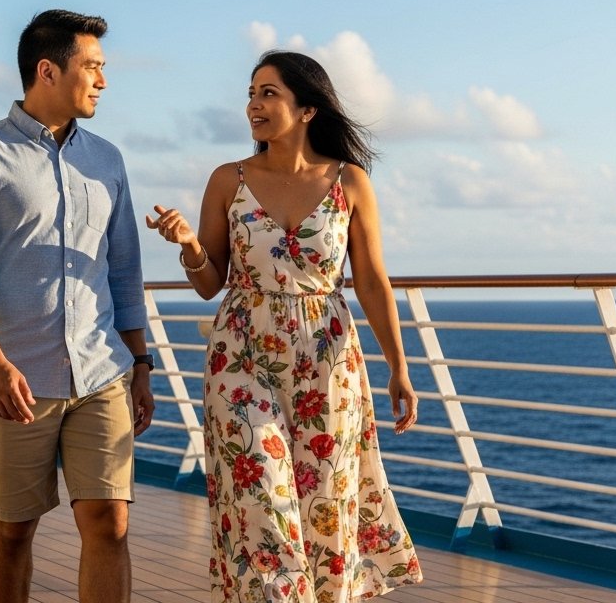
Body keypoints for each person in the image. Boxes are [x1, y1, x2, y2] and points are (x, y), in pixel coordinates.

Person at [146, 51, 422, 602]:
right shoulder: (228, 180)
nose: (254, 104)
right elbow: (209, 283)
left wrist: (399, 367)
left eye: (269, 93)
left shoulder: (349, 181)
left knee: (326, 505)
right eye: (251, 93)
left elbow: (372, 281)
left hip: (328, 360)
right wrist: (190, 246)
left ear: (308, 109)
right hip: (241, 356)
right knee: (260, 501)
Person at [0, 9, 155, 603]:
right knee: (14, 529)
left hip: (101, 372)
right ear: (48, 71)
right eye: (93, 66)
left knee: (110, 523)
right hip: (19, 378)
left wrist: (141, 364)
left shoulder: (107, 160)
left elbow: (124, 269)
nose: (103, 81)